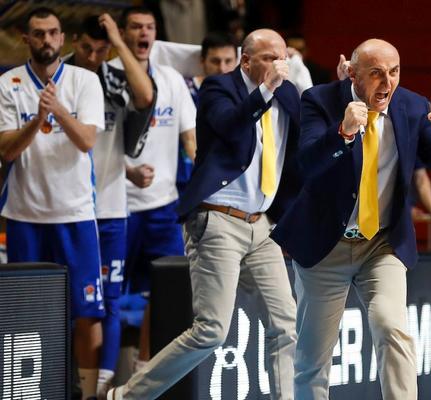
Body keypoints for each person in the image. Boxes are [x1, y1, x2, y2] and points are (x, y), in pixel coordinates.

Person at [108, 28, 300, 400]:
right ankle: (128, 396)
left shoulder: (288, 93)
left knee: (286, 325)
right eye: (269, 58)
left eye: (282, 58)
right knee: (211, 330)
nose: (279, 65)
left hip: (262, 224)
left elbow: (308, 137)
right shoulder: (218, 88)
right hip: (218, 218)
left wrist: (344, 94)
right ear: (246, 61)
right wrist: (265, 91)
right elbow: (230, 126)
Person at [271, 38, 431, 400]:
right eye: (376, 73)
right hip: (325, 244)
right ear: (352, 74)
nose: (387, 83)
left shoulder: (411, 106)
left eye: (394, 72)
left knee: (392, 326)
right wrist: (343, 133)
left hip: (382, 243)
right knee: (312, 358)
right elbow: (307, 166)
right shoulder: (320, 100)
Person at [0, 8, 105, 400]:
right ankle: (31, 392)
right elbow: (7, 151)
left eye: (53, 33)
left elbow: (87, 141)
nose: (47, 40)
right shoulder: (7, 83)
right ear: (25, 39)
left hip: (75, 214)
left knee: (87, 312)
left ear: (63, 38)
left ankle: (89, 394)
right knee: (25, 314)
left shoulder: (84, 81)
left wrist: (58, 110)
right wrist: (37, 119)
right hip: (24, 215)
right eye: (39, 33)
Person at [66, 13, 155, 397]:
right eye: (86, 48)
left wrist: (118, 43)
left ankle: (99, 390)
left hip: (111, 209)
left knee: (109, 303)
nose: (92, 57)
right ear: (73, 41)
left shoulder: (115, 79)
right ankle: (66, 382)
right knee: (72, 304)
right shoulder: (60, 78)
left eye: (100, 50)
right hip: (66, 211)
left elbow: (146, 97)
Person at [109, 6, 197, 370]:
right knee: (108, 297)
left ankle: (144, 369)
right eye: (135, 27)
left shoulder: (172, 79)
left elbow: (190, 140)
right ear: (122, 33)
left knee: (166, 291)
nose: (143, 33)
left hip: (163, 207)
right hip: (115, 206)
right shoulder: (104, 78)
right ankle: (100, 377)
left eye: (149, 27)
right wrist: (127, 171)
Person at [177, 32, 237, 196]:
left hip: (228, 184)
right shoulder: (181, 88)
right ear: (202, 61)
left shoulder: (245, 95)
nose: (222, 68)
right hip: (184, 180)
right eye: (215, 61)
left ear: (237, 61)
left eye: (228, 61)